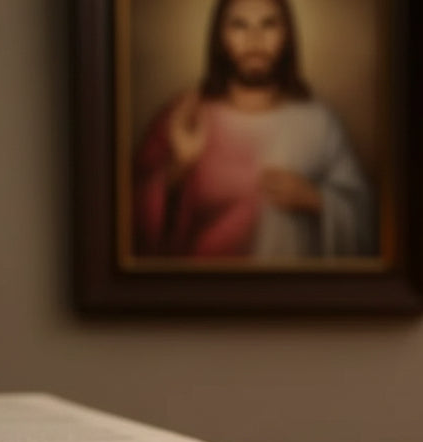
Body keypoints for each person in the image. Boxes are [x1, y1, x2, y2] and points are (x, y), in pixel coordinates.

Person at [133, 0, 376, 259]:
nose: (254, 39)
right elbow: (131, 220)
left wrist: (316, 199)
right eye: (239, 25)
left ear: (287, 36)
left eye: (268, 24)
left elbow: (365, 217)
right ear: (220, 37)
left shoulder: (318, 123)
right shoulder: (186, 117)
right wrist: (178, 167)